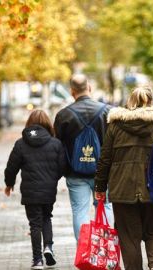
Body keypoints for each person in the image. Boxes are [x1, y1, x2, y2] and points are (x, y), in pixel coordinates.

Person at [94, 87, 153, 270]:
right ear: (151, 101)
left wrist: (100, 187)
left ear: (130, 101)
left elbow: (105, 158)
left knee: (129, 237)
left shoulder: (115, 125)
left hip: (123, 190)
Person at [4, 110, 67, 269]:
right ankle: (48, 247)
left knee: (35, 224)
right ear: (48, 124)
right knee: (47, 217)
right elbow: (62, 167)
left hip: (30, 191)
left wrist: (9, 183)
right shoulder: (56, 143)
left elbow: (12, 167)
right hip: (48, 190)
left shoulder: (21, 144)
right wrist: (52, 179)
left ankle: (37, 260)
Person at [53, 74, 113, 241]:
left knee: (80, 211)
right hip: (103, 172)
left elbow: (57, 146)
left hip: (75, 173)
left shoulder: (63, 115)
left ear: (72, 92)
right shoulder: (107, 111)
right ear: (90, 88)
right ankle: (106, 251)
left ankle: (85, 254)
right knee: (105, 206)